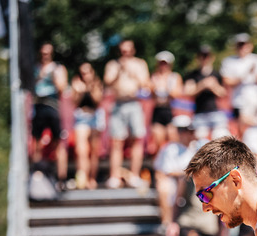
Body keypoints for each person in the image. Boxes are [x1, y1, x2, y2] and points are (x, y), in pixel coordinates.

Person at [104, 40, 152, 188]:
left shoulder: (140, 64)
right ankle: (114, 176)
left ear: (133, 50)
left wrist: (132, 72)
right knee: (116, 141)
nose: (125, 53)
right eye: (123, 50)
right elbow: (107, 82)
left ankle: (134, 175)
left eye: (128, 50)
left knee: (137, 140)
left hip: (134, 103)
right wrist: (119, 72)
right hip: (118, 103)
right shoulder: (113, 65)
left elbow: (146, 84)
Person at [31, 43, 69, 188]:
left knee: (59, 143)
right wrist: (39, 76)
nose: (45, 56)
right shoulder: (36, 69)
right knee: (37, 143)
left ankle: (62, 178)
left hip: (52, 106)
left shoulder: (58, 68)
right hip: (39, 106)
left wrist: (53, 77)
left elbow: (62, 88)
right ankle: (36, 176)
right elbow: (30, 87)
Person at [71, 62, 105, 189]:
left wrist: (88, 88)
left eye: (87, 72)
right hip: (81, 117)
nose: (85, 75)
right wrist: (79, 92)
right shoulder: (76, 84)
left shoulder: (96, 83)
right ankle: (82, 177)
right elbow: (74, 103)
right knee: (81, 150)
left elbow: (97, 101)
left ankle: (92, 178)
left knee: (94, 151)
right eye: (82, 73)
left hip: (95, 117)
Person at [150, 51, 184, 156]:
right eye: (161, 63)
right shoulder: (154, 76)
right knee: (158, 141)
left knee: (173, 140)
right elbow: (150, 91)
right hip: (158, 110)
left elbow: (176, 93)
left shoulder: (174, 77)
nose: (163, 66)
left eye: (165, 63)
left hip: (171, 110)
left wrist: (163, 88)